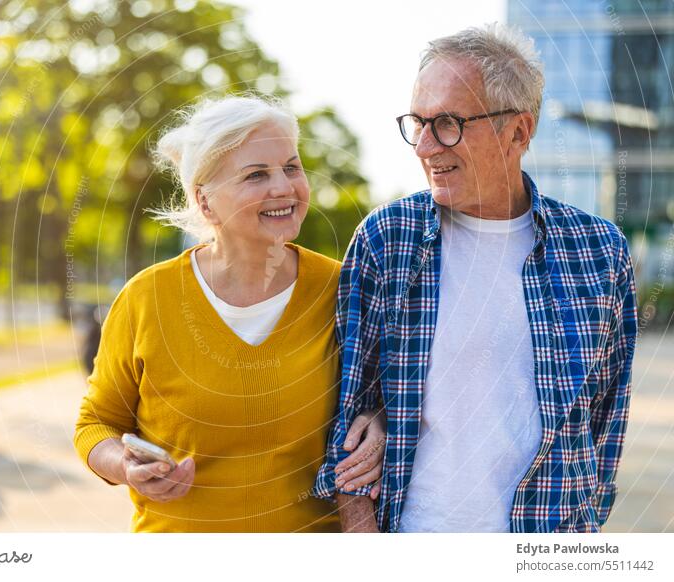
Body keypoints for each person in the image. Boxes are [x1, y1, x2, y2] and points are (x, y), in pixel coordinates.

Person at [313, 23, 637, 533]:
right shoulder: (387, 240)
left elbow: (605, 419)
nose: (423, 146)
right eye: (416, 123)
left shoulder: (599, 251)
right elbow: (348, 410)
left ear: (519, 132)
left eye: (446, 123)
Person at [73, 95, 385, 532]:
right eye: (257, 174)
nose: (284, 186)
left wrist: (380, 423)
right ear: (205, 201)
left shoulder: (343, 289)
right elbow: (96, 423)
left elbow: (383, 396)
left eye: (291, 167)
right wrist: (127, 466)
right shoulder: (146, 298)